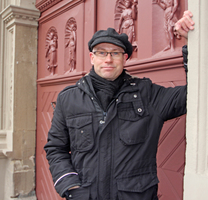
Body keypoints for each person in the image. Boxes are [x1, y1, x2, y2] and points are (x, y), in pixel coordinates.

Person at [44, 10, 195, 200]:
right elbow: (56, 148)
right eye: (101, 53)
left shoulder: (147, 93)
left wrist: (193, 44)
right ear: (92, 57)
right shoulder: (69, 98)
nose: (108, 59)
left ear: (125, 59)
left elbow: (193, 96)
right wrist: (70, 185)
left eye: (115, 53)